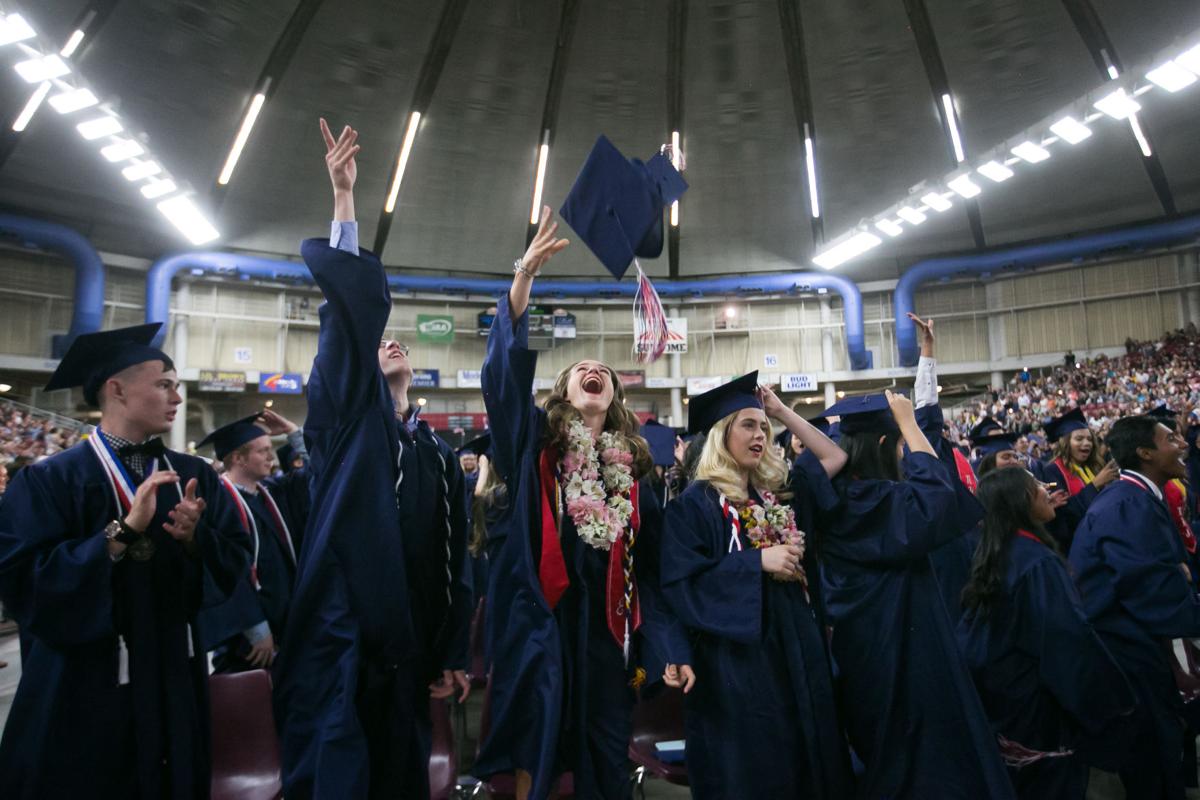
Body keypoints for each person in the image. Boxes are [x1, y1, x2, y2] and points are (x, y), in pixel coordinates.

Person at [272, 120, 473, 799]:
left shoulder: (437, 456)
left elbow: (455, 559)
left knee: (399, 776)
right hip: (342, 633)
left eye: (400, 345)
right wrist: (343, 201)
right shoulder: (347, 424)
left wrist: (450, 649)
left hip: (406, 642)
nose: (390, 345)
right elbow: (349, 320)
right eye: (380, 342)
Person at [473, 206, 688, 800]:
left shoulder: (633, 481)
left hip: (609, 637)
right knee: (536, 751)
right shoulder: (535, 451)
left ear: (614, 397)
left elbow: (654, 574)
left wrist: (664, 647)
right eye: (581, 369)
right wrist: (523, 279)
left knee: (607, 756)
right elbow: (503, 386)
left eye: (604, 371)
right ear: (563, 393)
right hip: (543, 626)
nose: (594, 369)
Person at [0, 323, 251, 799]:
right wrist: (121, 533)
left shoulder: (193, 474)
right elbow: (24, 580)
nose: (177, 397)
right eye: (164, 385)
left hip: (173, 669)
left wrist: (196, 540)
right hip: (84, 681)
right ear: (116, 390)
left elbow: (234, 560)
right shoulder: (50, 480)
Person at [804, 390, 1014, 799]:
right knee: (920, 756)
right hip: (902, 646)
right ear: (884, 443)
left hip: (857, 646)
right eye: (900, 445)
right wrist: (910, 423)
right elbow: (940, 496)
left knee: (880, 748)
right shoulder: (881, 499)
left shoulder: (833, 497)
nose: (904, 453)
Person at [660, 373, 852, 799]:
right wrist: (756, 562)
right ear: (721, 435)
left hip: (794, 646)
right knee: (758, 766)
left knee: (806, 757)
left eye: (764, 428)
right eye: (748, 425)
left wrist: (781, 411)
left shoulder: (774, 496)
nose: (760, 435)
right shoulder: (695, 505)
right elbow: (680, 585)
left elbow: (834, 456)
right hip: (737, 660)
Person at [958, 468, 1135, 799]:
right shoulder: (1036, 562)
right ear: (1019, 500)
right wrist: (1110, 710)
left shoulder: (999, 551)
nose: (1046, 488)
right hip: (1041, 714)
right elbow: (1068, 644)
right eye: (1036, 485)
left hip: (1010, 705)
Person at [1069, 415, 1200, 799]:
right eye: (1170, 439)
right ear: (1145, 453)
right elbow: (1152, 593)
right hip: (1128, 654)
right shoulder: (1127, 504)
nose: (1182, 444)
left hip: (1135, 644)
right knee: (1154, 760)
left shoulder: (1137, 496)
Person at [196, 410, 310, 673]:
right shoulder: (216, 503)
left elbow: (318, 474)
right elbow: (220, 570)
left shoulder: (274, 493)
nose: (271, 457)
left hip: (287, 624)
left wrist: (293, 433)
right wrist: (254, 626)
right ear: (238, 458)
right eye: (263, 451)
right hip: (245, 636)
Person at [1032, 408, 1117, 550]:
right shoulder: (1052, 471)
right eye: (1079, 439)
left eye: (1089, 439)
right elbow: (1064, 514)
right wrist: (1095, 485)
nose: (1087, 443)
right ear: (1065, 443)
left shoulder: (1093, 467)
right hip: (1077, 544)